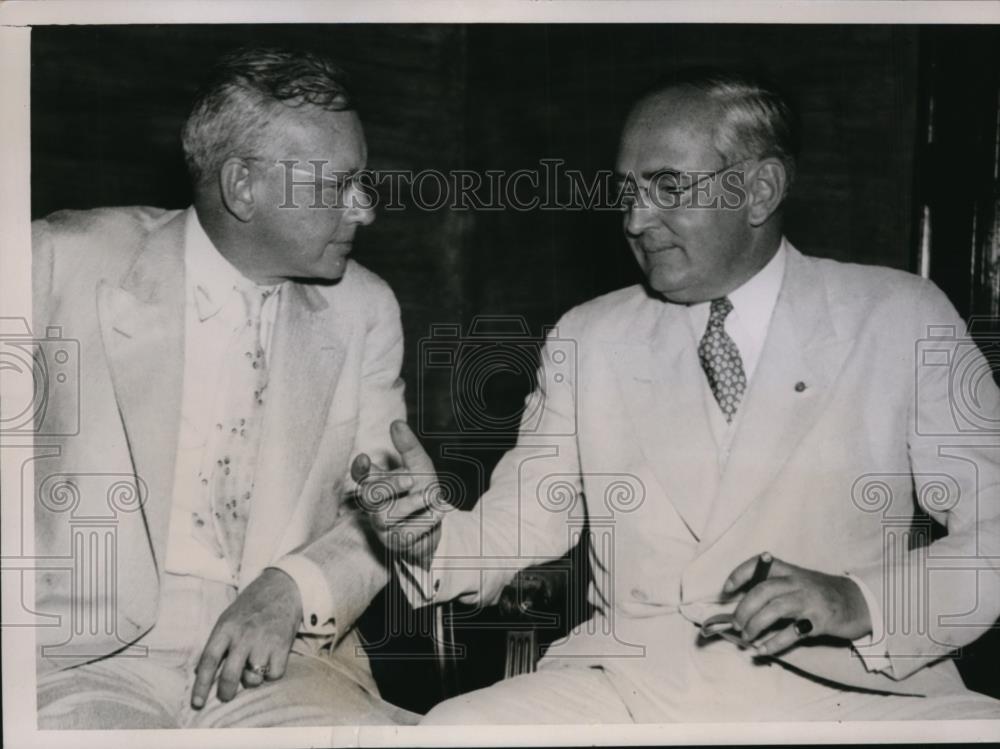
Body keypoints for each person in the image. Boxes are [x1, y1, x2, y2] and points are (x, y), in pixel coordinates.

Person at [352, 69, 1000, 722]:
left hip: (856, 688)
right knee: (456, 730)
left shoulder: (899, 316)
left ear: (759, 189)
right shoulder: (590, 335)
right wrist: (426, 534)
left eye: (667, 187)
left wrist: (858, 600)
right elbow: (522, 524)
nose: (635, 219)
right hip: (636, 684)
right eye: (627, 191)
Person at [32, 47, 417, 728]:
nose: (364, 210)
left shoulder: (367, 309)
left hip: (288, 658)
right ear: (242, 186)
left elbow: (376, 517)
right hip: (80, 659)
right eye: (337, 185)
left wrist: (294, 588)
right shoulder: (60, 258)